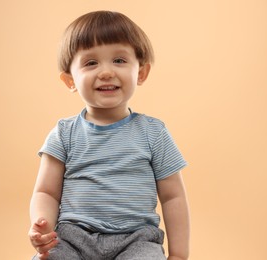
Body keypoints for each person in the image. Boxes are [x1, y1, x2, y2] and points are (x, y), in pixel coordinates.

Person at [28, 10, 190, 260]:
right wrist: (43, 226)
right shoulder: (64, 133)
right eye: (91, 63)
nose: (106, 72)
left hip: (136, 239)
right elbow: (46, 192)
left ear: (141, 73)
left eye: (119, 60)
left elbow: (173, 196)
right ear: (70, 80)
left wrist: (179, 254)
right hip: (72, 237)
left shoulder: (153, 133)